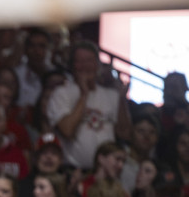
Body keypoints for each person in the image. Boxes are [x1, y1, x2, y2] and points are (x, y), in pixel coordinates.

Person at [46, 42, 132, 171]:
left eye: (89, 60)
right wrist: (84, 95)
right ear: (72, 66)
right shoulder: (61, 93)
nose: (85, 66)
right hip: (74, 171)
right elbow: (67, 130)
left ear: (97, 64)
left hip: (106, 172)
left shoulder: (111, 95)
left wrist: (121, 99)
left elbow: (125, 134)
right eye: (80, 61)